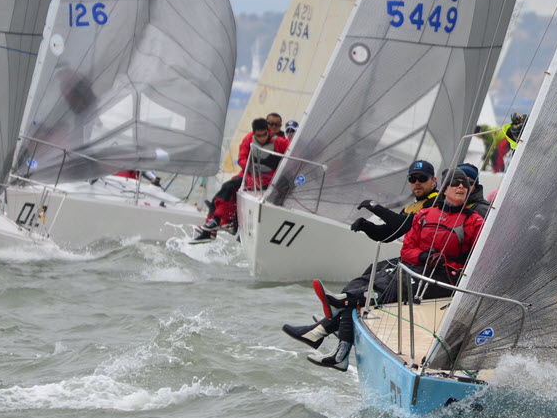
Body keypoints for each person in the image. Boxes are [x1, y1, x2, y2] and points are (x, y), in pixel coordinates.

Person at [283, 166, 488, 371]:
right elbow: (406, 248)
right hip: (417, 266)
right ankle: (337, 329)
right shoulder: (425, 214)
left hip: (445, 276)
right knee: (370, 277)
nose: (461, 186)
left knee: (386, 287)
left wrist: (452, 266)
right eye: (455, 183)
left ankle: (333, 319)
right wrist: (420, 255)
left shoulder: (475, 220)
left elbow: (480, 256)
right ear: (445, 189)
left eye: (466, 184)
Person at [196, 119, 284, 240]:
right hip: (251, 175)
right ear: (254, 133)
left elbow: (293, 156)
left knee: (230, 188)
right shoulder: (249, 139)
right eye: (259, 136)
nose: (262, 138)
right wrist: (249, 166)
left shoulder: (280, 142)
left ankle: (222, 221)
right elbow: (242, 158)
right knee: (220, 194)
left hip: (267, 179)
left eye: (264, 134)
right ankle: (210, 231)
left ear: (268, 131)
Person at [349, 159, 439, 242]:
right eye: (412, 179)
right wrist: (366, 226)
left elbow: (404, 225)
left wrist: (375, 207)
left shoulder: (438, 202)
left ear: (433, 181)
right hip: (413, 253)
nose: (417, 182)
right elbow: (389, 234)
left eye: (422, 178)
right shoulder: (411, 207)